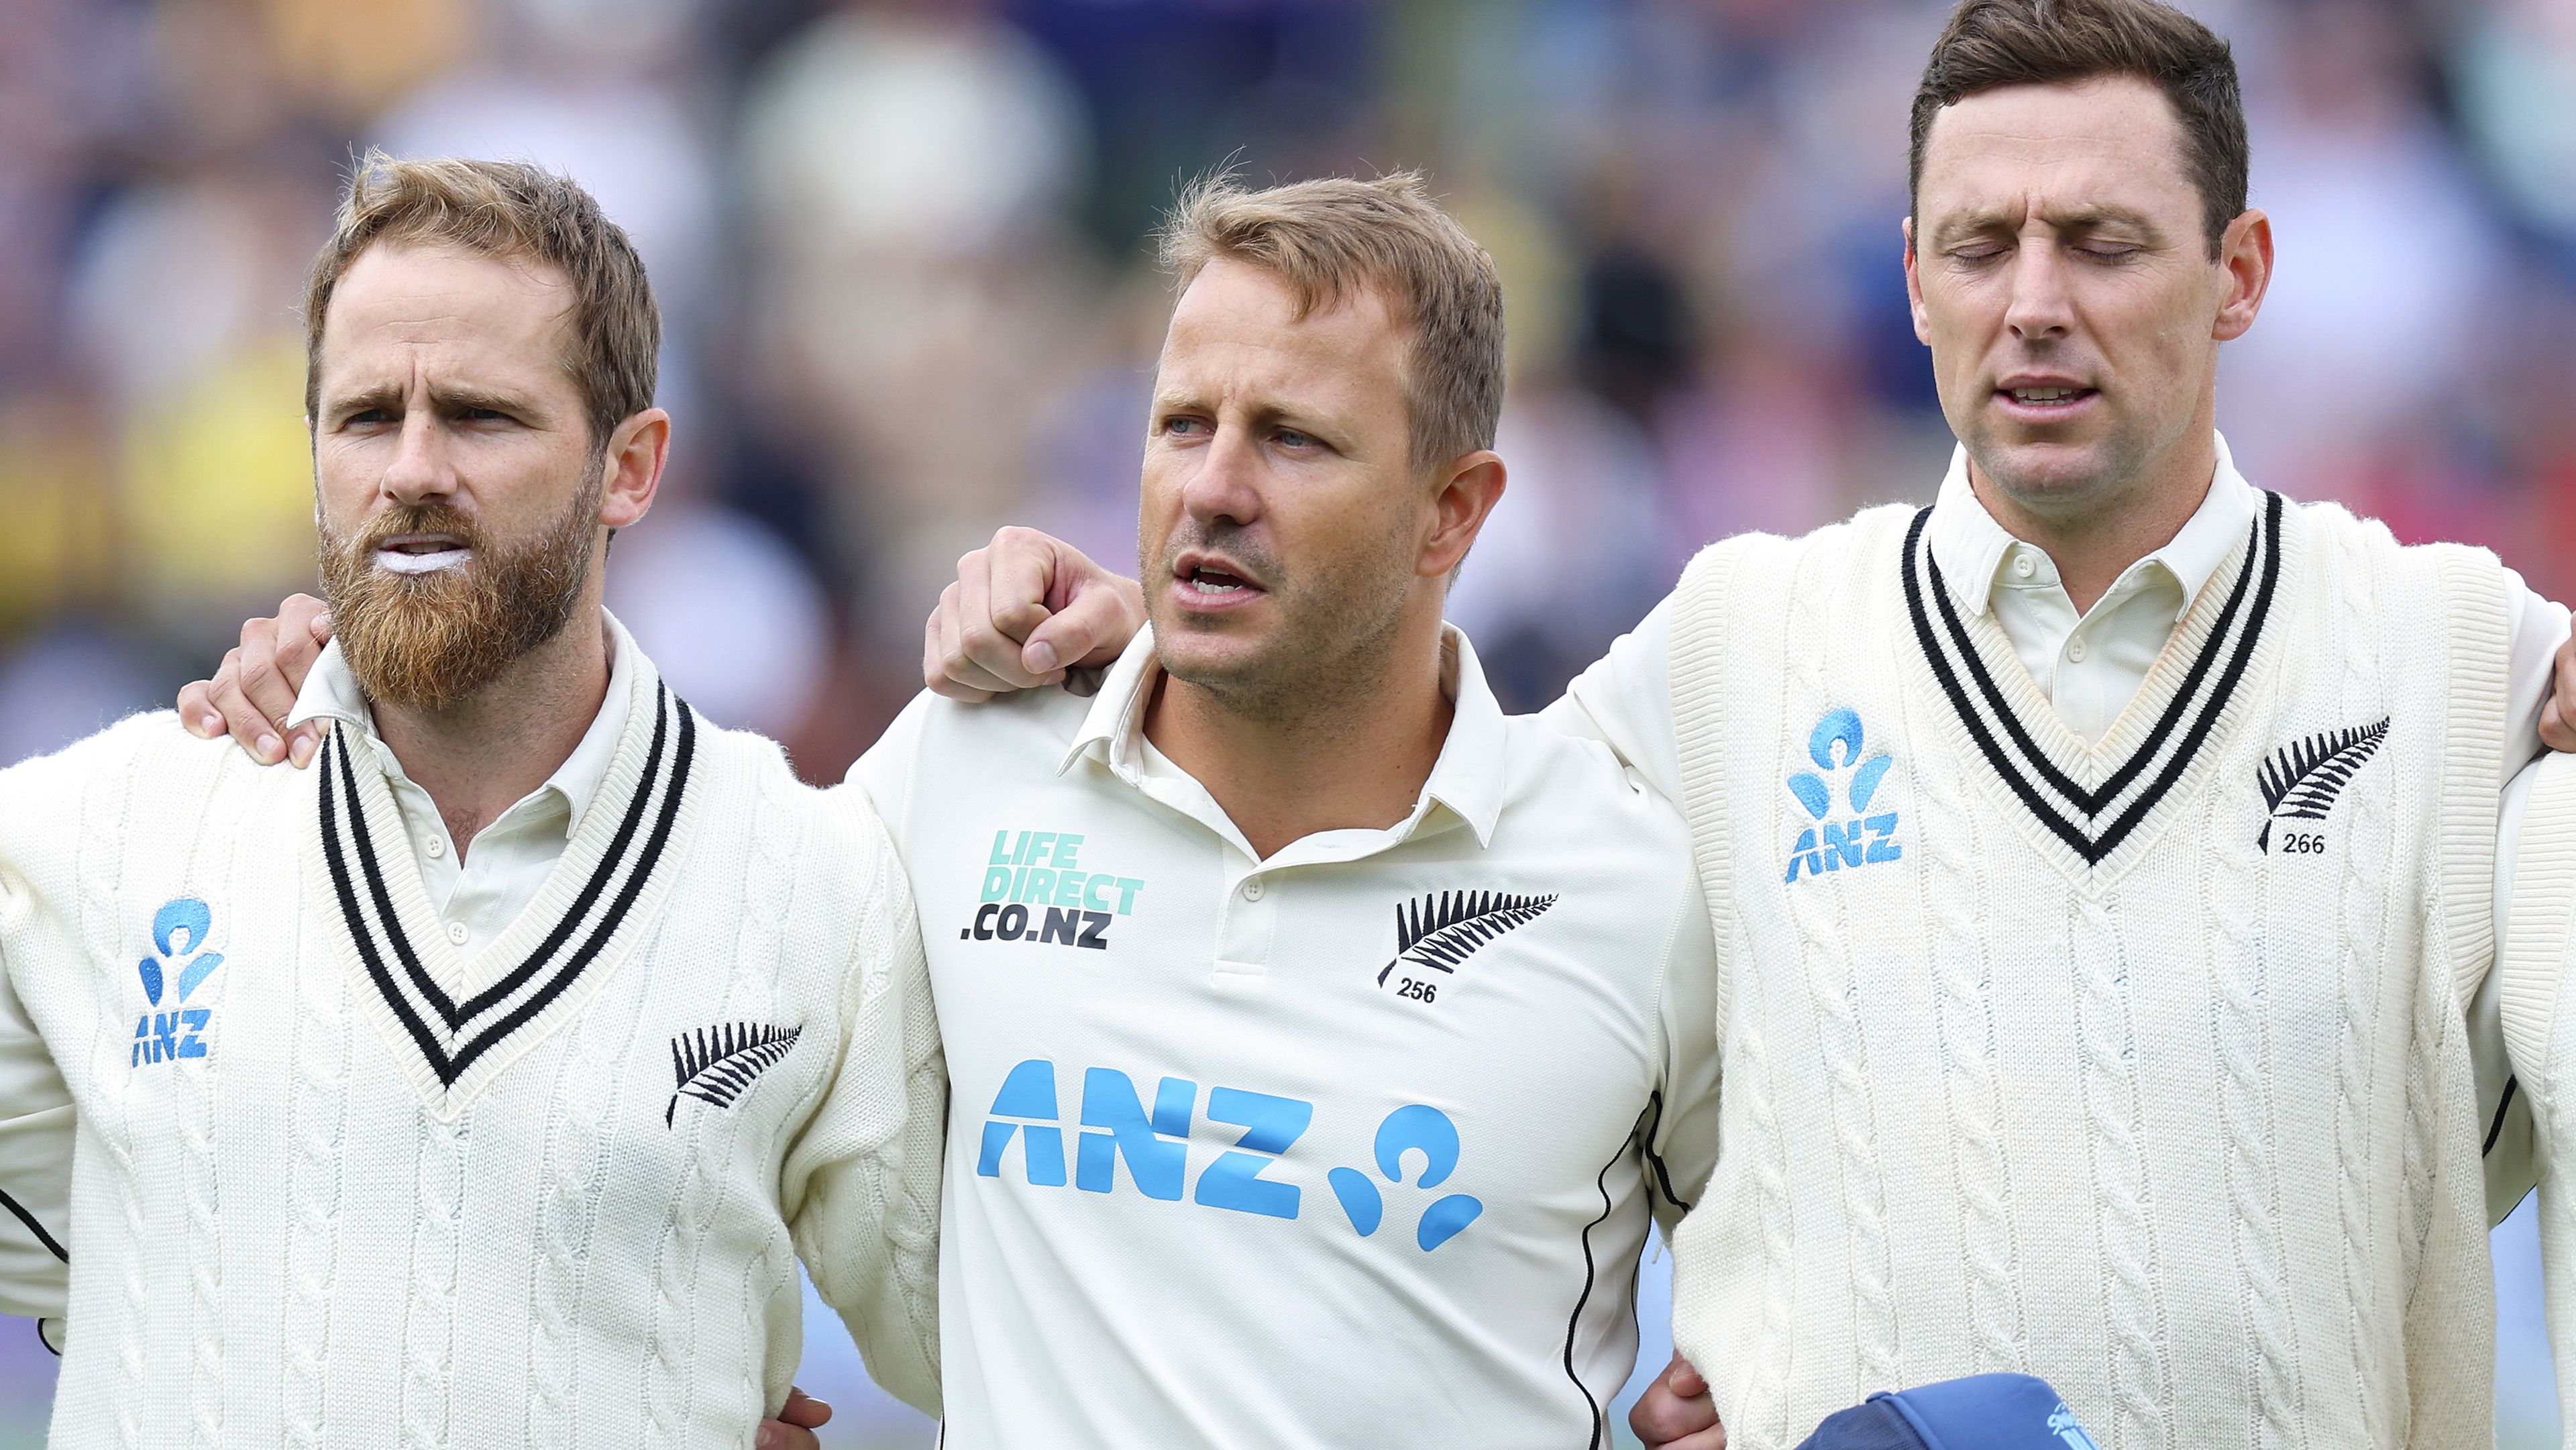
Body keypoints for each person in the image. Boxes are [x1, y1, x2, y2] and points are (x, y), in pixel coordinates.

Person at [894, 2, 2576, 1445]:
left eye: (2108, 243)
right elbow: (1396, 814)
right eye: (1983, 248)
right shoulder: (1730, 650)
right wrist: (1158, 656)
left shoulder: (2459, 653)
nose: (2036, 302)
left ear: (2241, 273)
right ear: (1913, 281)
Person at [189, 170, 1723, 1447]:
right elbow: (576, 1011)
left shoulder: (1628, 880)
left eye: (1294, 440)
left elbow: (1812, 1251)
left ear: (1454, 509)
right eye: (1180, 424)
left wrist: (1761, 1385)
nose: (1212, 488)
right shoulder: (957, 773)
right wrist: (353, 681)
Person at [0, 154, 943, 1445]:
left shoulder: (817, 875)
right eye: (368, 415)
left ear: (631, 467)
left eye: (483, 416)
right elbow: (112, 1231)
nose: (413, 468)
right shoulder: (103, 829)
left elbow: (1001, 1334)